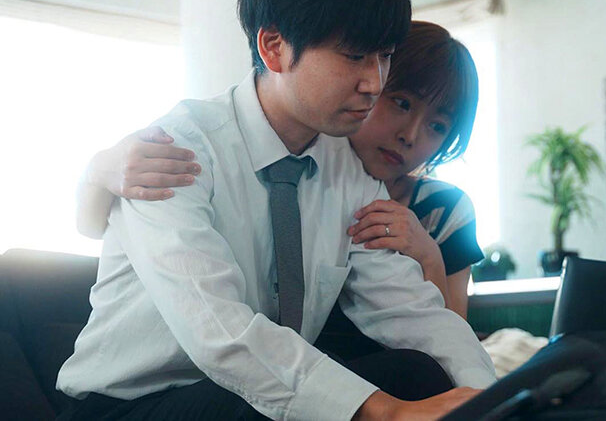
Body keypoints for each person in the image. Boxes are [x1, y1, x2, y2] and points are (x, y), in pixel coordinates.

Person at [56, 0, 496, 420]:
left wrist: (493, 398)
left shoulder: (346, 168)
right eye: (354, 56)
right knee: (300, 402)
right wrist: (388, 412)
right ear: (274, 47)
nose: (374, 82)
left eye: (384, 57)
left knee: (419, 374)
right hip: (132, 406)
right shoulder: (176, 151)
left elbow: (409, 309)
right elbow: (220, 334)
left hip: (243, 393)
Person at [77, 21, 483, 331]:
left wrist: (429, 256)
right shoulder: (272, 153)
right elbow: (102, 227)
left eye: (438, 126)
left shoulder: (442, 209)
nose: (410, 135)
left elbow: (446, 339)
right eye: (401, 103)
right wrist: (98, 170)